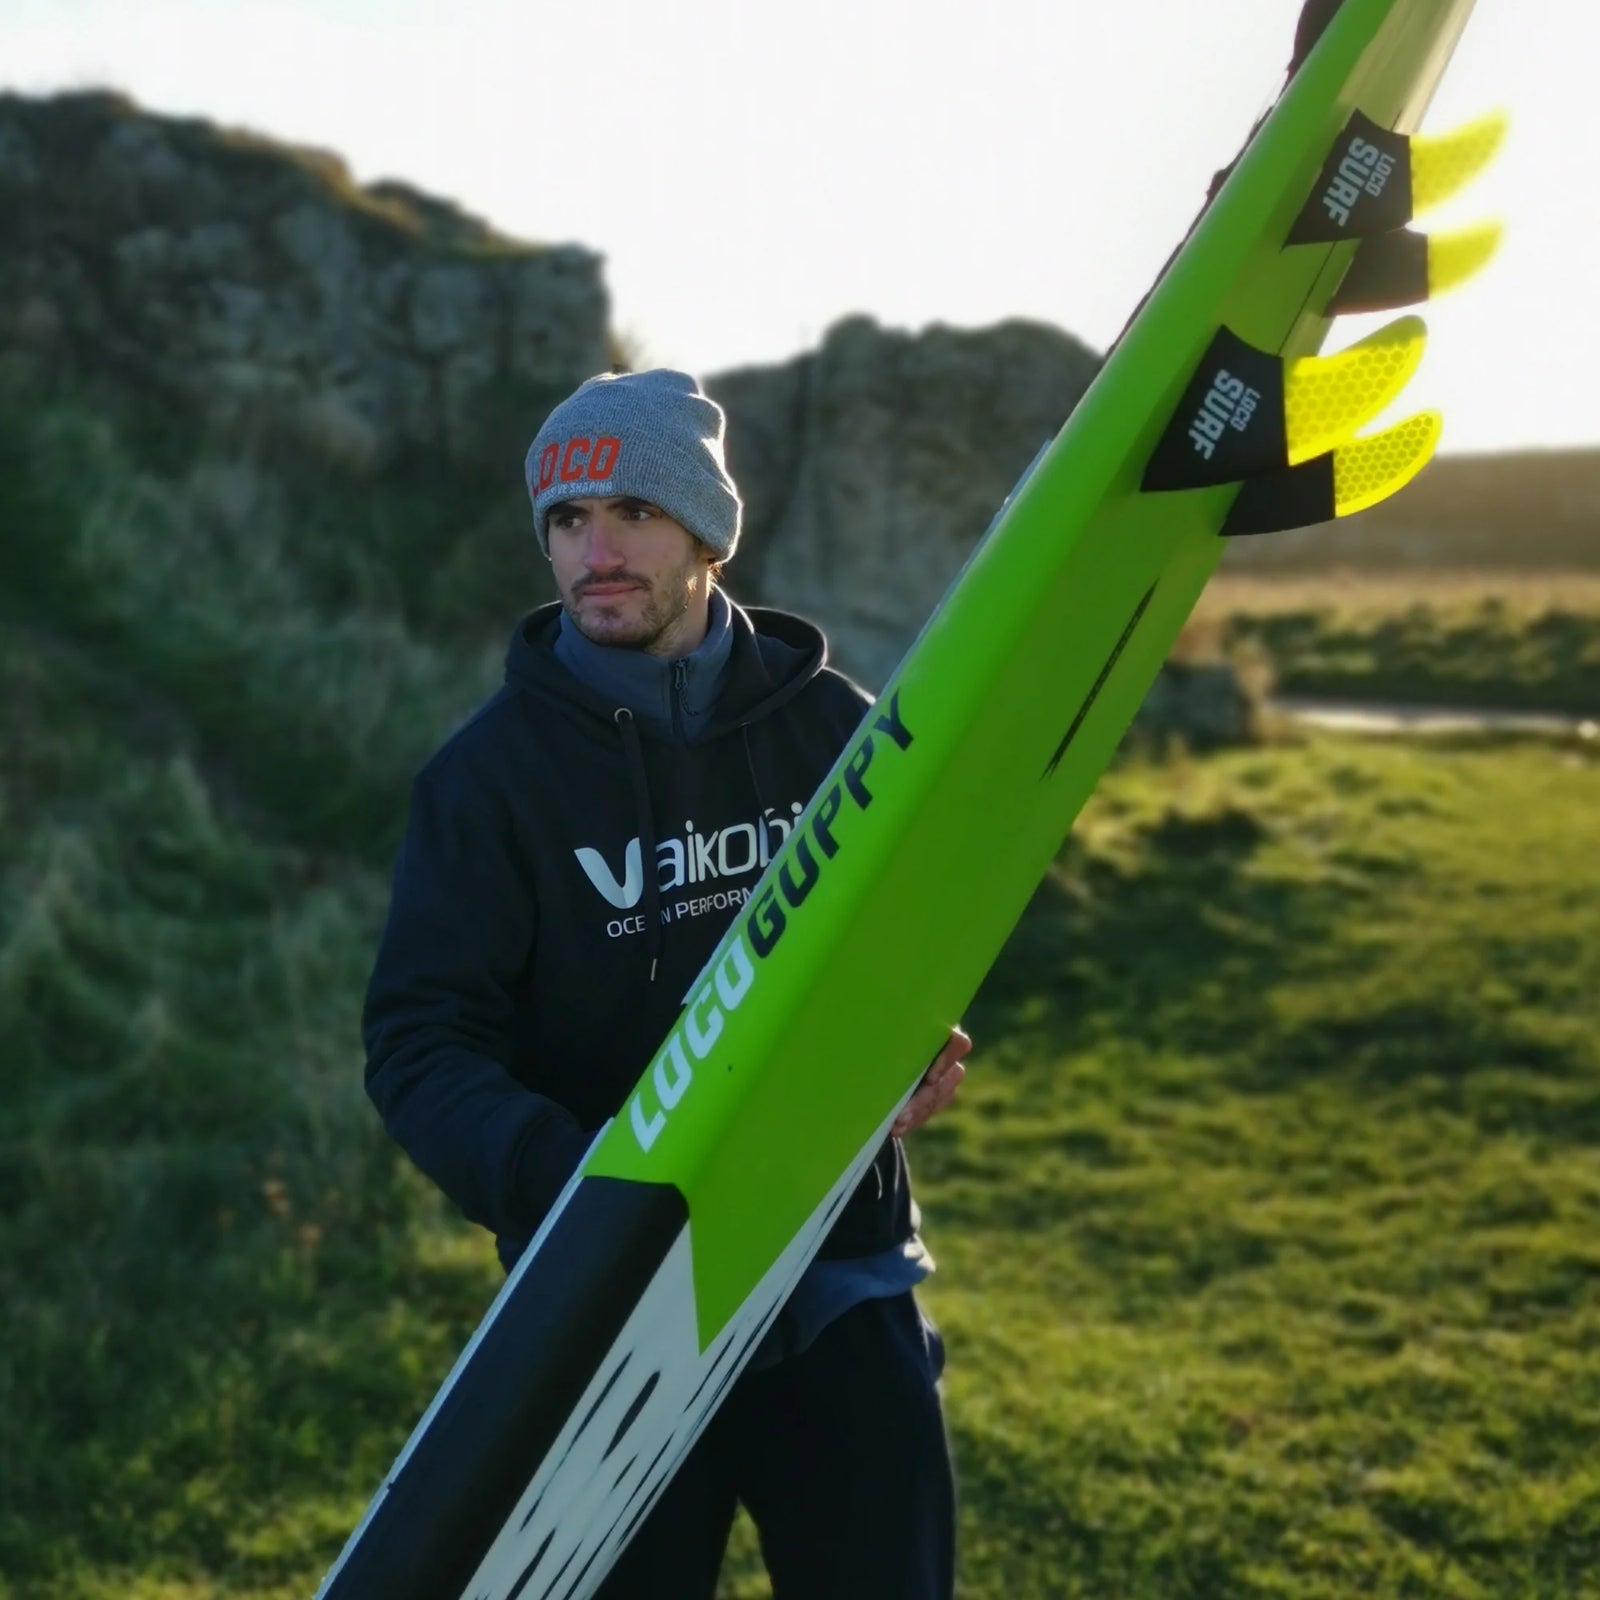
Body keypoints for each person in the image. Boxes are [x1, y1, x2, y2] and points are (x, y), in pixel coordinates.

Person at [362, 368, 970, 1599]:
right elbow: (422, 1044)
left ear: (705, 529)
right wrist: (576, 1188)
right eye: (565, 521)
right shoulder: (485, 784)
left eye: (631, 512)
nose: (593, 552)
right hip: (612, 1317)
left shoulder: (835, 730)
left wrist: (908, 1041)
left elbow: (900, 943)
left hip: (836, 1273)